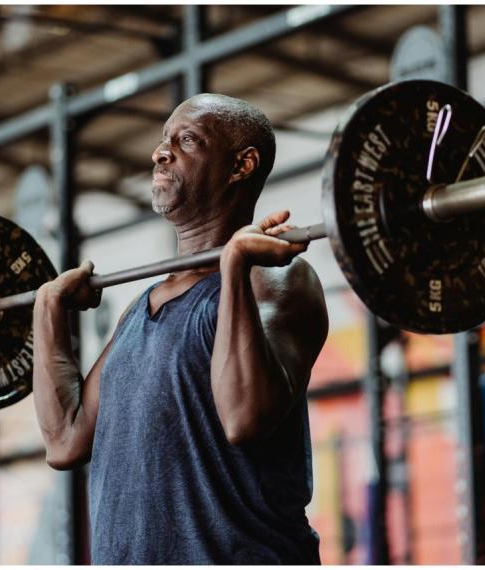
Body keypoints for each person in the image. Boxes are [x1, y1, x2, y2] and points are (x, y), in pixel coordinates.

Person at [32, 93, 328, 564]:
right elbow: (65, 440)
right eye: (162, 141)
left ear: (241, 165)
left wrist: (233, 263)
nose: (160, 153)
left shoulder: (276, 280)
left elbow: (244, 416)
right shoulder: (141, 309)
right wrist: (48, 311)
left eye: (186, 140)